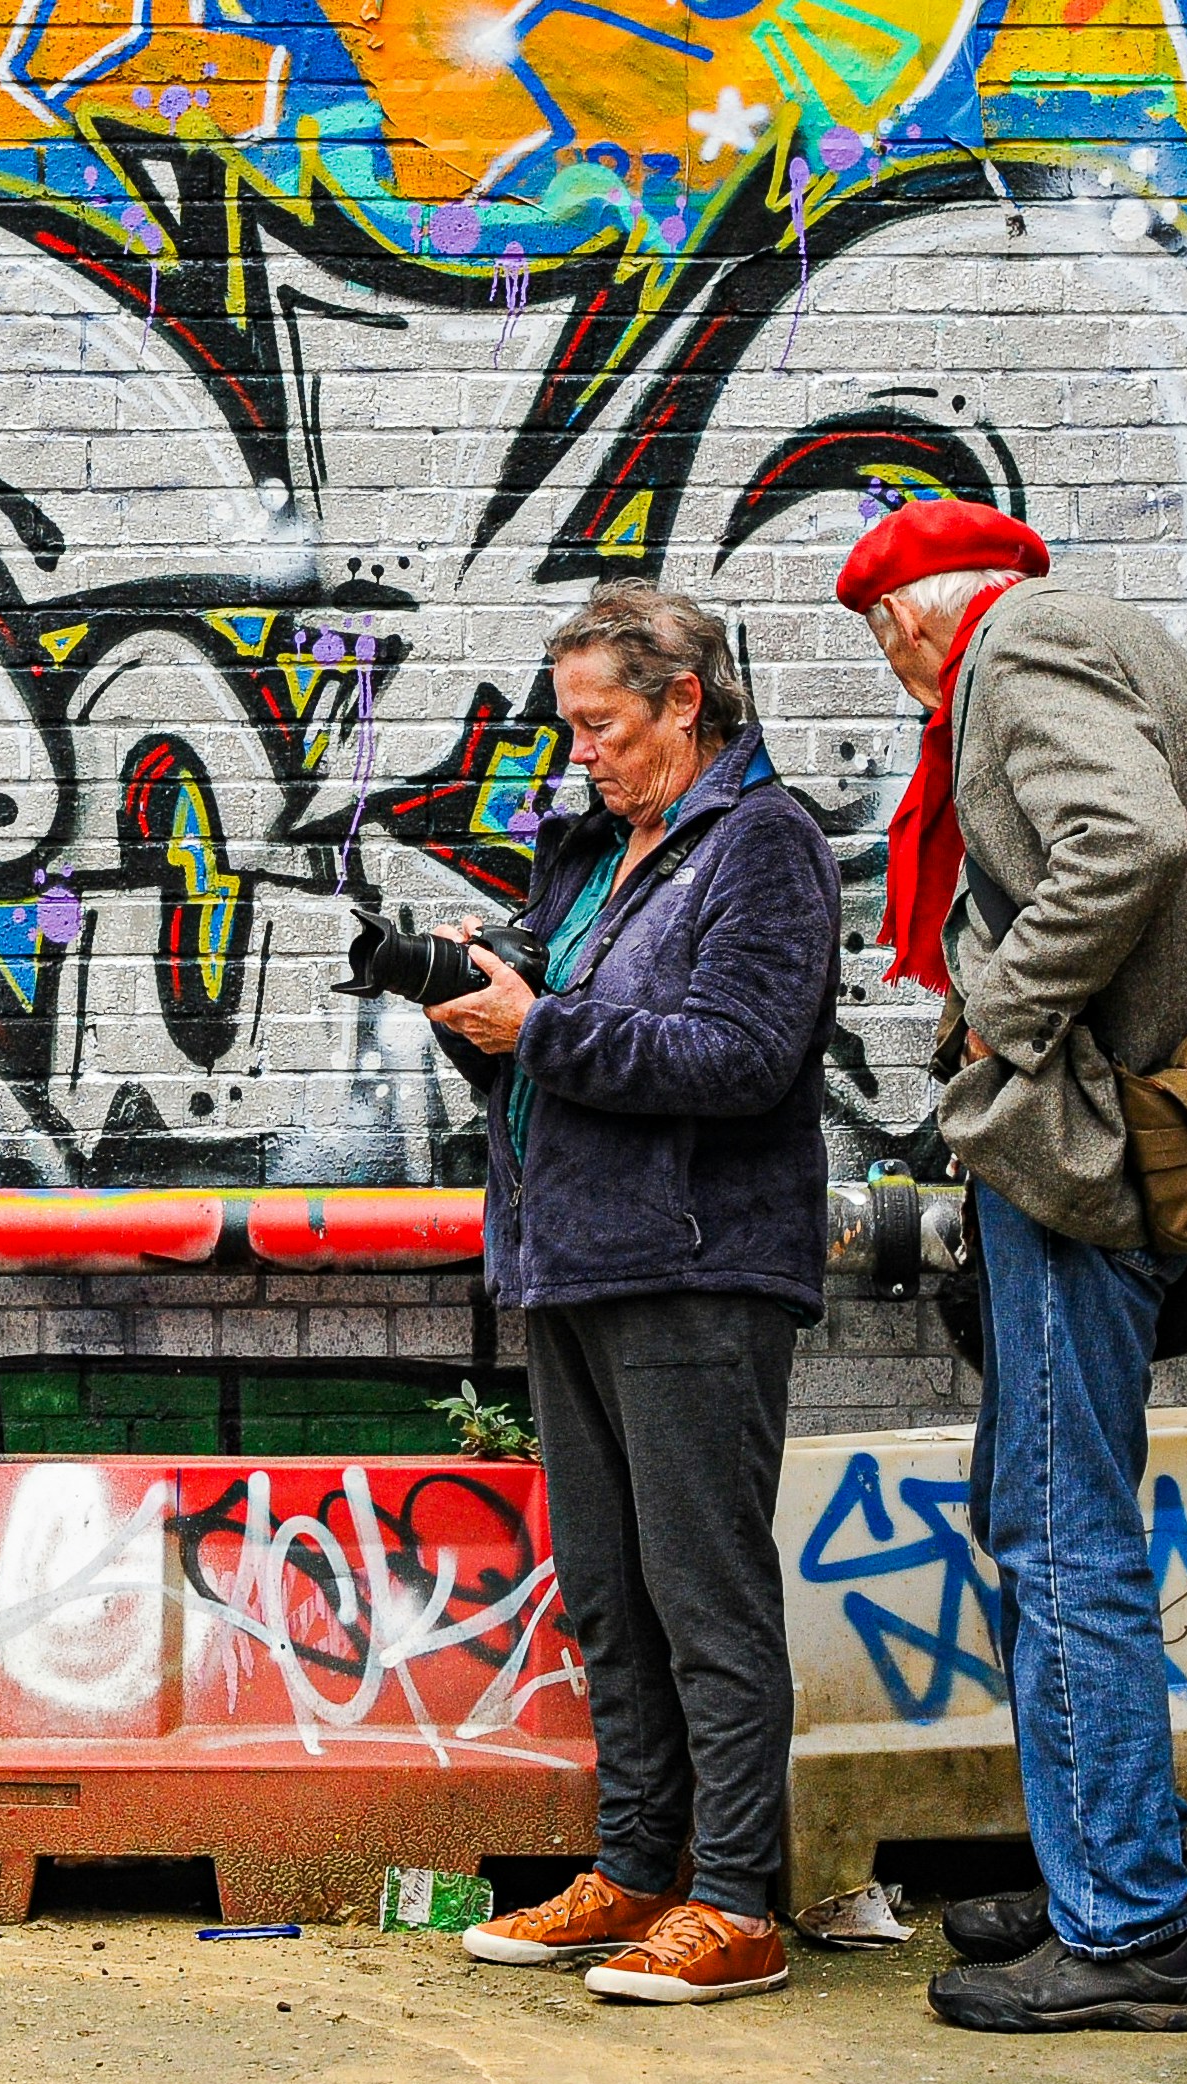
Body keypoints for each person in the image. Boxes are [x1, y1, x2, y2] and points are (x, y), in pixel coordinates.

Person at [837, 498, 1187, 2034]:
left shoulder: (1018, 650)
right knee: (1042, 1507)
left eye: (883, 645)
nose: (897, 678)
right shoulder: (1104, 634)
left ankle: (1128, 1928)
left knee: (1064, 1531)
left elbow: (1127, 839)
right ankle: (1102, 1864)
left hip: (1083, 1155)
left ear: (908, 619)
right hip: (1125, 1134)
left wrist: (997, 1017)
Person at [427, 578, 839, 2005]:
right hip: (572, 1258)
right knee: (608, 1595)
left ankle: (736, 1902)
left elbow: (743, 1058)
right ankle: (637, 1868)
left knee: (702, 1596)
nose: (579, 751)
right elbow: (551, 1047)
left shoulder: (764, 844)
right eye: (570, 727)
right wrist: (482, 1012)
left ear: (684, 704)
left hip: (697, 1268)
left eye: (601, 724)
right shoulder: (597, 854)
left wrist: (539, 1026)